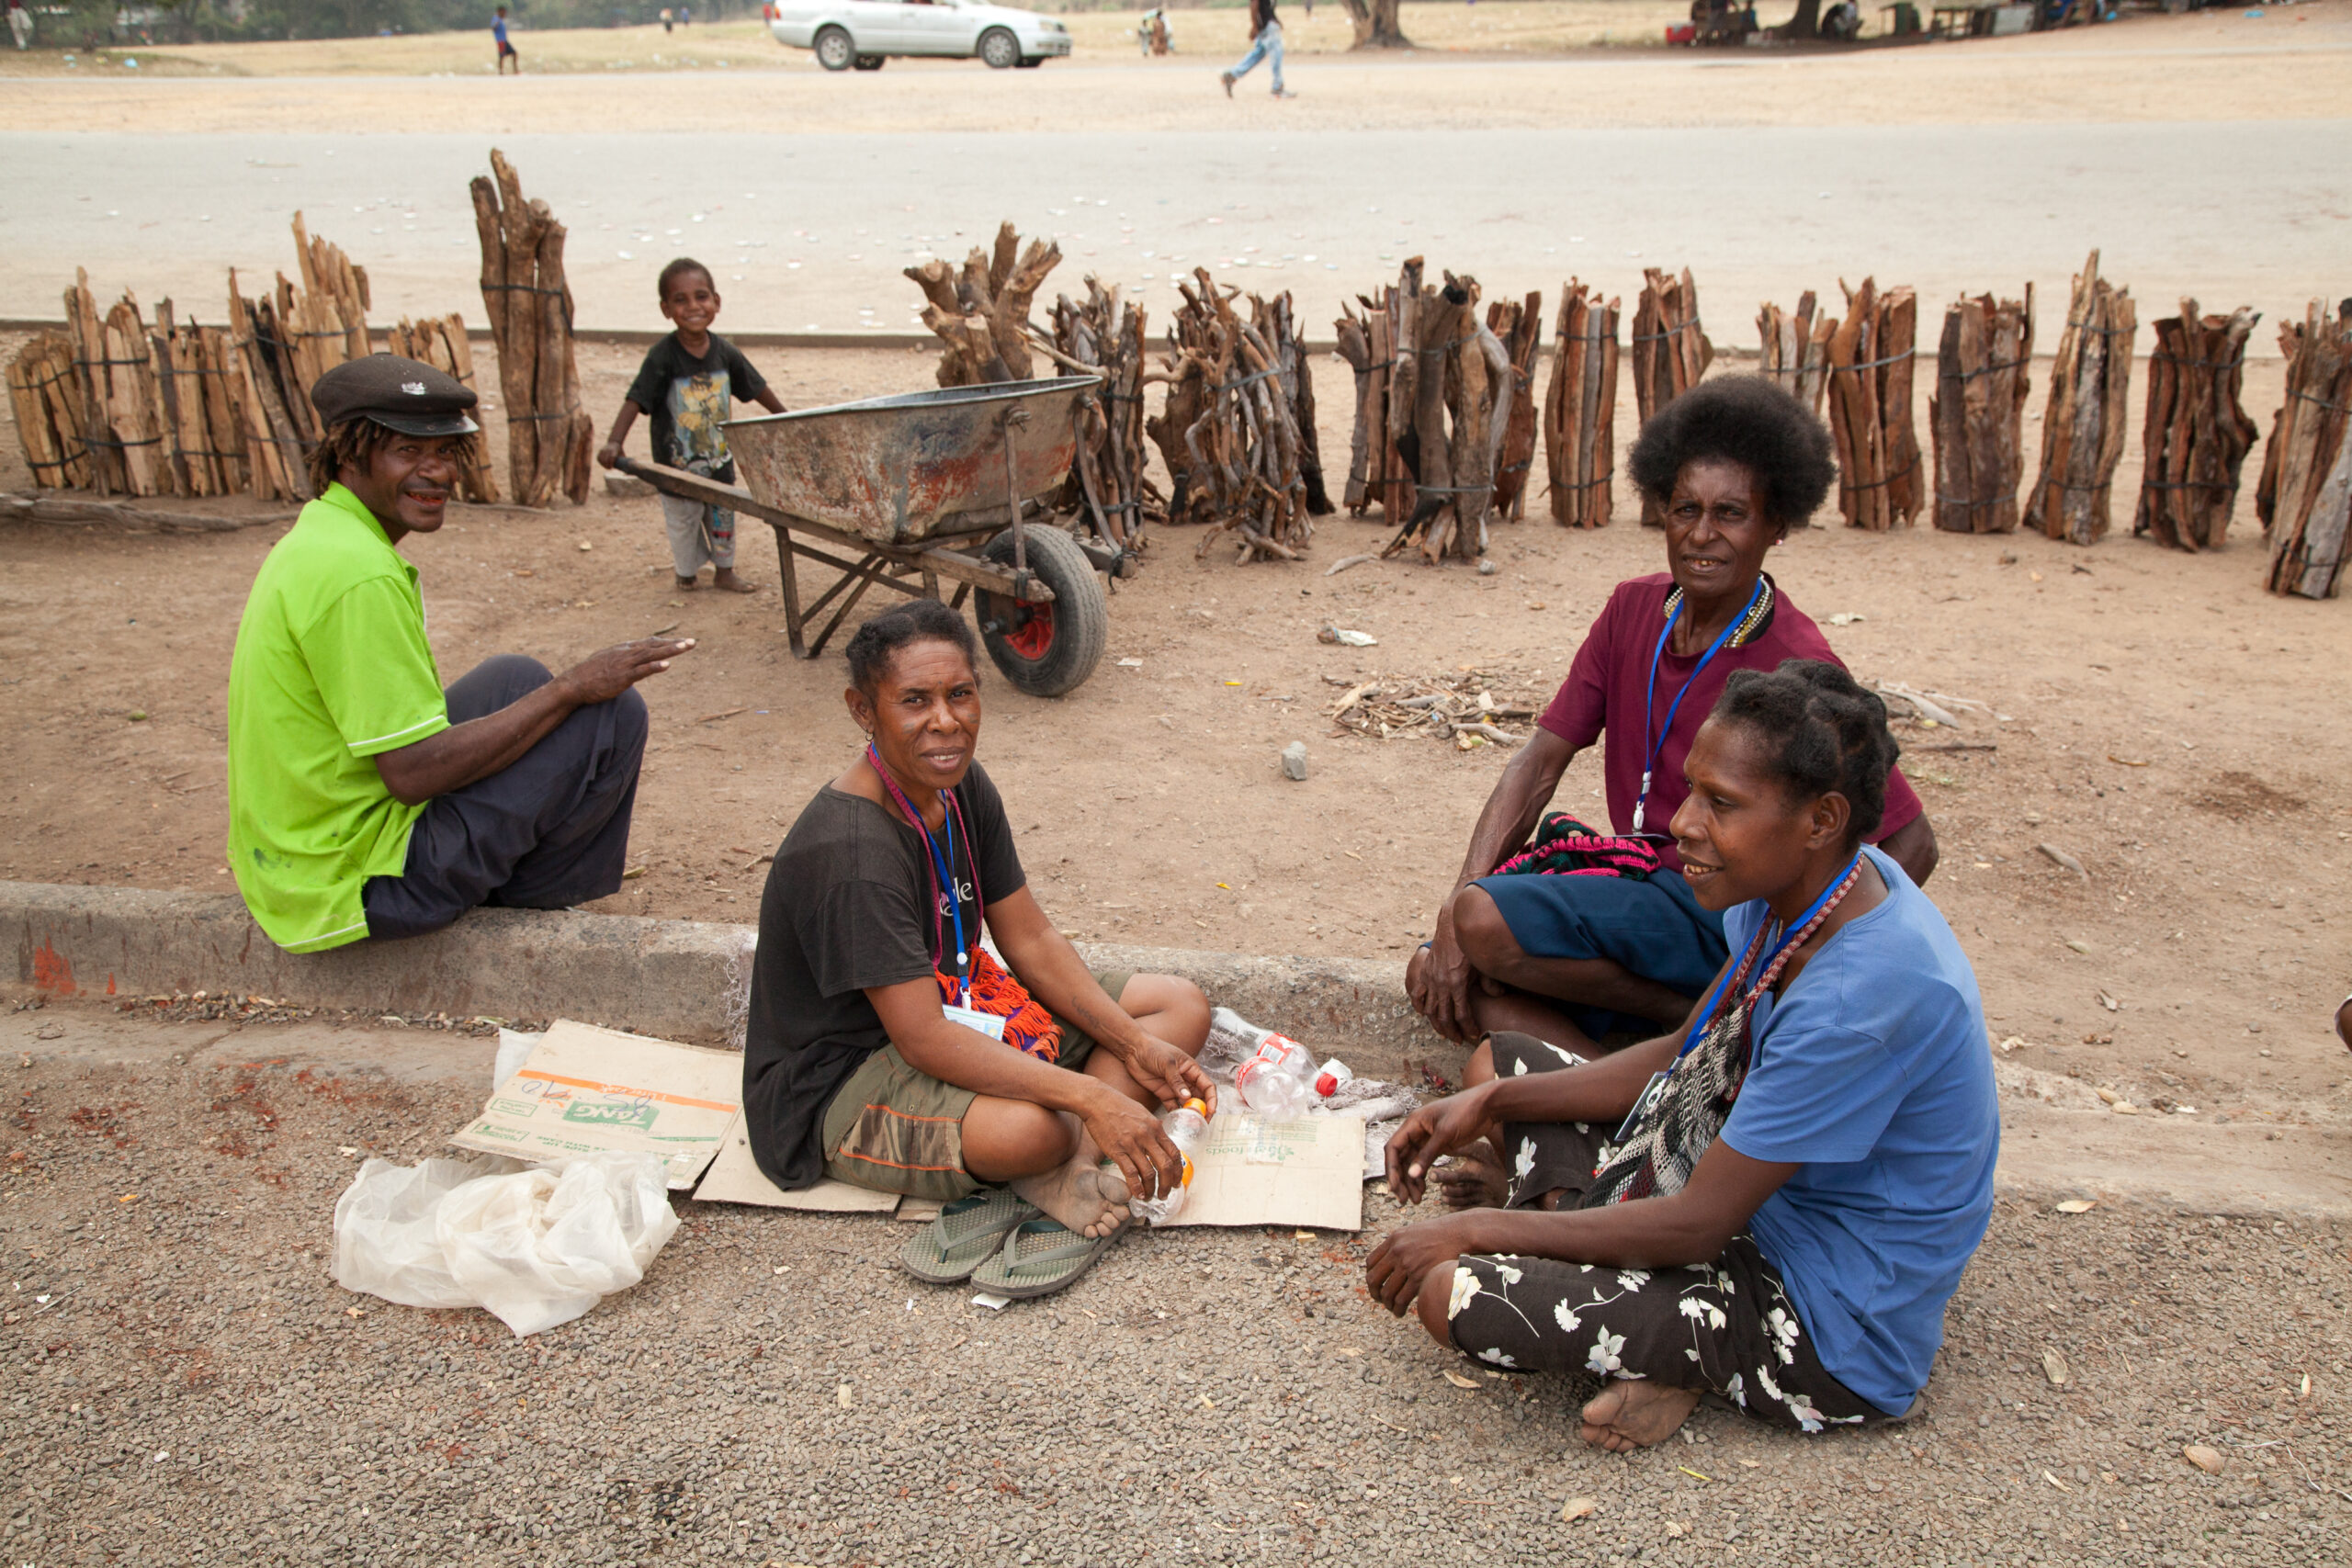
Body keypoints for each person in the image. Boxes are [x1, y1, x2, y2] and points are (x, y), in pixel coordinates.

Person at [1366, 660, 1998, 1450]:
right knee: (1498, 1068)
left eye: (1721, 803)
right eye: (1694, 790)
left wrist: (1482, 1232)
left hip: (1824, 1316)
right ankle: (1609, 1277)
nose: (1684, 823)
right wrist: (1489, 1108)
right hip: (1752, 1199)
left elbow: (1700, 1223)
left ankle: (1688, 1356)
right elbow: (1682, 1052)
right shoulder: (1810, 888)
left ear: (1821, 818)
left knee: (1449, 1291)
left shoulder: (1859, 1000)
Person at [1408, 378, 1939, 1193]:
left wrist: (1779, 963)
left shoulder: (1796, 663)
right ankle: (1655, 1091)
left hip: (1718, 911)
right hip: (1644, 884)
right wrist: (1448, 915)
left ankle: (1699, 1026)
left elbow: (1908, 838)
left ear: (1776, 524)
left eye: (1732, 514)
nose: (1703, 534)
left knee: (1484, 920)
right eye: (1685, 509)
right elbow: (1539, 761)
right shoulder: (1634, 612)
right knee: (1449, 971)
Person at [742, 600, 1216, 1298]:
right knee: (1037, 1127)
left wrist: (1130, 1044)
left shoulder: (957, 784)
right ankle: (1057, 1158)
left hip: (959, 999)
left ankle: (1068, 1165)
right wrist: (1091, 1097)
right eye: (914, 700)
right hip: (845, 1074)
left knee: (1176, 1009)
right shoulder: (851, 851)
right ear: (862, 709)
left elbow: (1028, 936)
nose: (945, 721)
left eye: (959, 694)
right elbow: (923, 1039)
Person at [226, 356, 693, 953]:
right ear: (350, 455)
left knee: (514, 676)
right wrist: (571, 687)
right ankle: (525, 902)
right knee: (613, 713)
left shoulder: (326, 533)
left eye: (445, 452)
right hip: (353, 880)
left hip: (306, 848)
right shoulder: (358, 576)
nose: (436, 472)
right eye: (405, 452)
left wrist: (555, 693)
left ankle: (505, 875)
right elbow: (412, 775)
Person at [596, 257, 786, 594]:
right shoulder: (662, 357)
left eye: (701, 297)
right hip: (676, 467)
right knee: (683, 523)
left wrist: (787, 420)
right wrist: (614, 442)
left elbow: (756, 389)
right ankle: (686, 573)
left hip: (718, 462)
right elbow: (636, 399)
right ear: (665, 308)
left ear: (717, 301)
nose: (693, 307)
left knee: (722, 519)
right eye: (680, 300)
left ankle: (725, 571)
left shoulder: (725, 353)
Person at [1220, 0, 1291, 100]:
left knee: (1260, 52)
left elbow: (1267, 6)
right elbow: (1254, 2)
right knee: (1276, 52)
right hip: (1267, 26)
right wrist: (1254, 26)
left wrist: (1275, 19)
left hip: (1266, 24)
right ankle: (1277, 86)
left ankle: (1232, 75)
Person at [492, 6, 518, 73]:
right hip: (500, 41)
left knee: (514, 53)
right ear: (500, 11)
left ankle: (515, 70)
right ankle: (501, 71)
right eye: (503, 12)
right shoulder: (496, 18)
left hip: (504, 40)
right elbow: (493, 28)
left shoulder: (500, 19)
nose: (504, 14)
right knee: (502, 56)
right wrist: (497, 22)